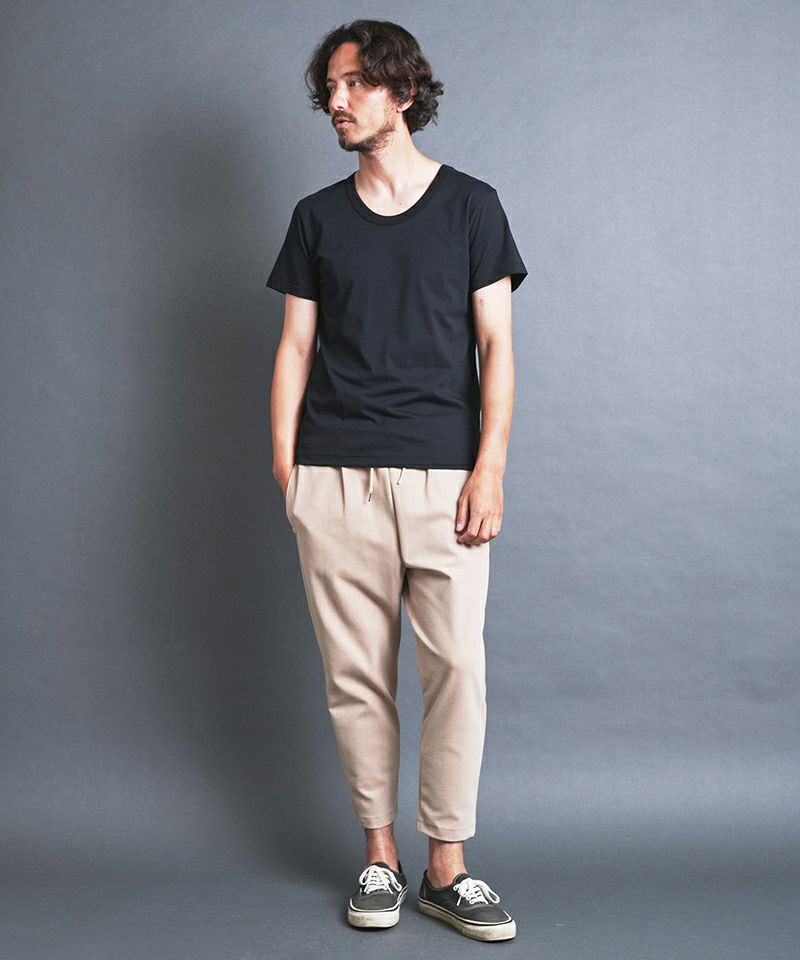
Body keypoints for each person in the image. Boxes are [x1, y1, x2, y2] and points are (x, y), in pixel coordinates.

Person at [266, 19, 527, 943]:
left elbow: (496, 346)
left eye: (353, 85)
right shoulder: (317, 217)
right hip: (333, 477)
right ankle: (380, 857)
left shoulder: (472, 207)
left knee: (457, 669)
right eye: (329, 89)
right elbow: (295, 347)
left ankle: (446, 867)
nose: (335, 102)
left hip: (445, 477)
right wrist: (288, 470)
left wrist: (489, 467)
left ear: (402, 92)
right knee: (356, 677)